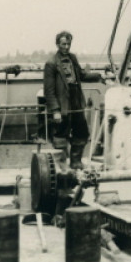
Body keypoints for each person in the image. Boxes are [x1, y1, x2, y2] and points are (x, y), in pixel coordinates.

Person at [43, 30, 90, 169]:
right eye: (63, 44)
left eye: (68, 44)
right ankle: (62, 165)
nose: (66, 47)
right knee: (61, 133)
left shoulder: (73, 58)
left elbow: (81, 75)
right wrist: (55, 110)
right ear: (57, 44)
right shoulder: (51, 63)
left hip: (76, 100)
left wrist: (100, 77)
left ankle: (76, 162)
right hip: (62, 102)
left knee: (82, 131)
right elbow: (49, 91)